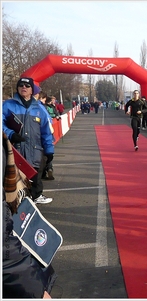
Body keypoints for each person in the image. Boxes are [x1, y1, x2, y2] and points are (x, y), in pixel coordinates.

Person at [2, 133, 56, 298]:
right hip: (15, 271)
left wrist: (49, 151)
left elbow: (46, 132)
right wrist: (33, 288)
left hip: (33, 155)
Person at [2, 77, 54, 204]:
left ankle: (36, 196)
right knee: (15, 178)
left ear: (32, 90)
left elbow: (46, 132)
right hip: (14, 150)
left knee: (35, 175)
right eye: (21, 85)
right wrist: (10, 134)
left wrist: (49, 150)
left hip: (35, 150)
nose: (23, 87)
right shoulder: (7, 105)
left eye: (27, 85)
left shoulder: (40, 108)